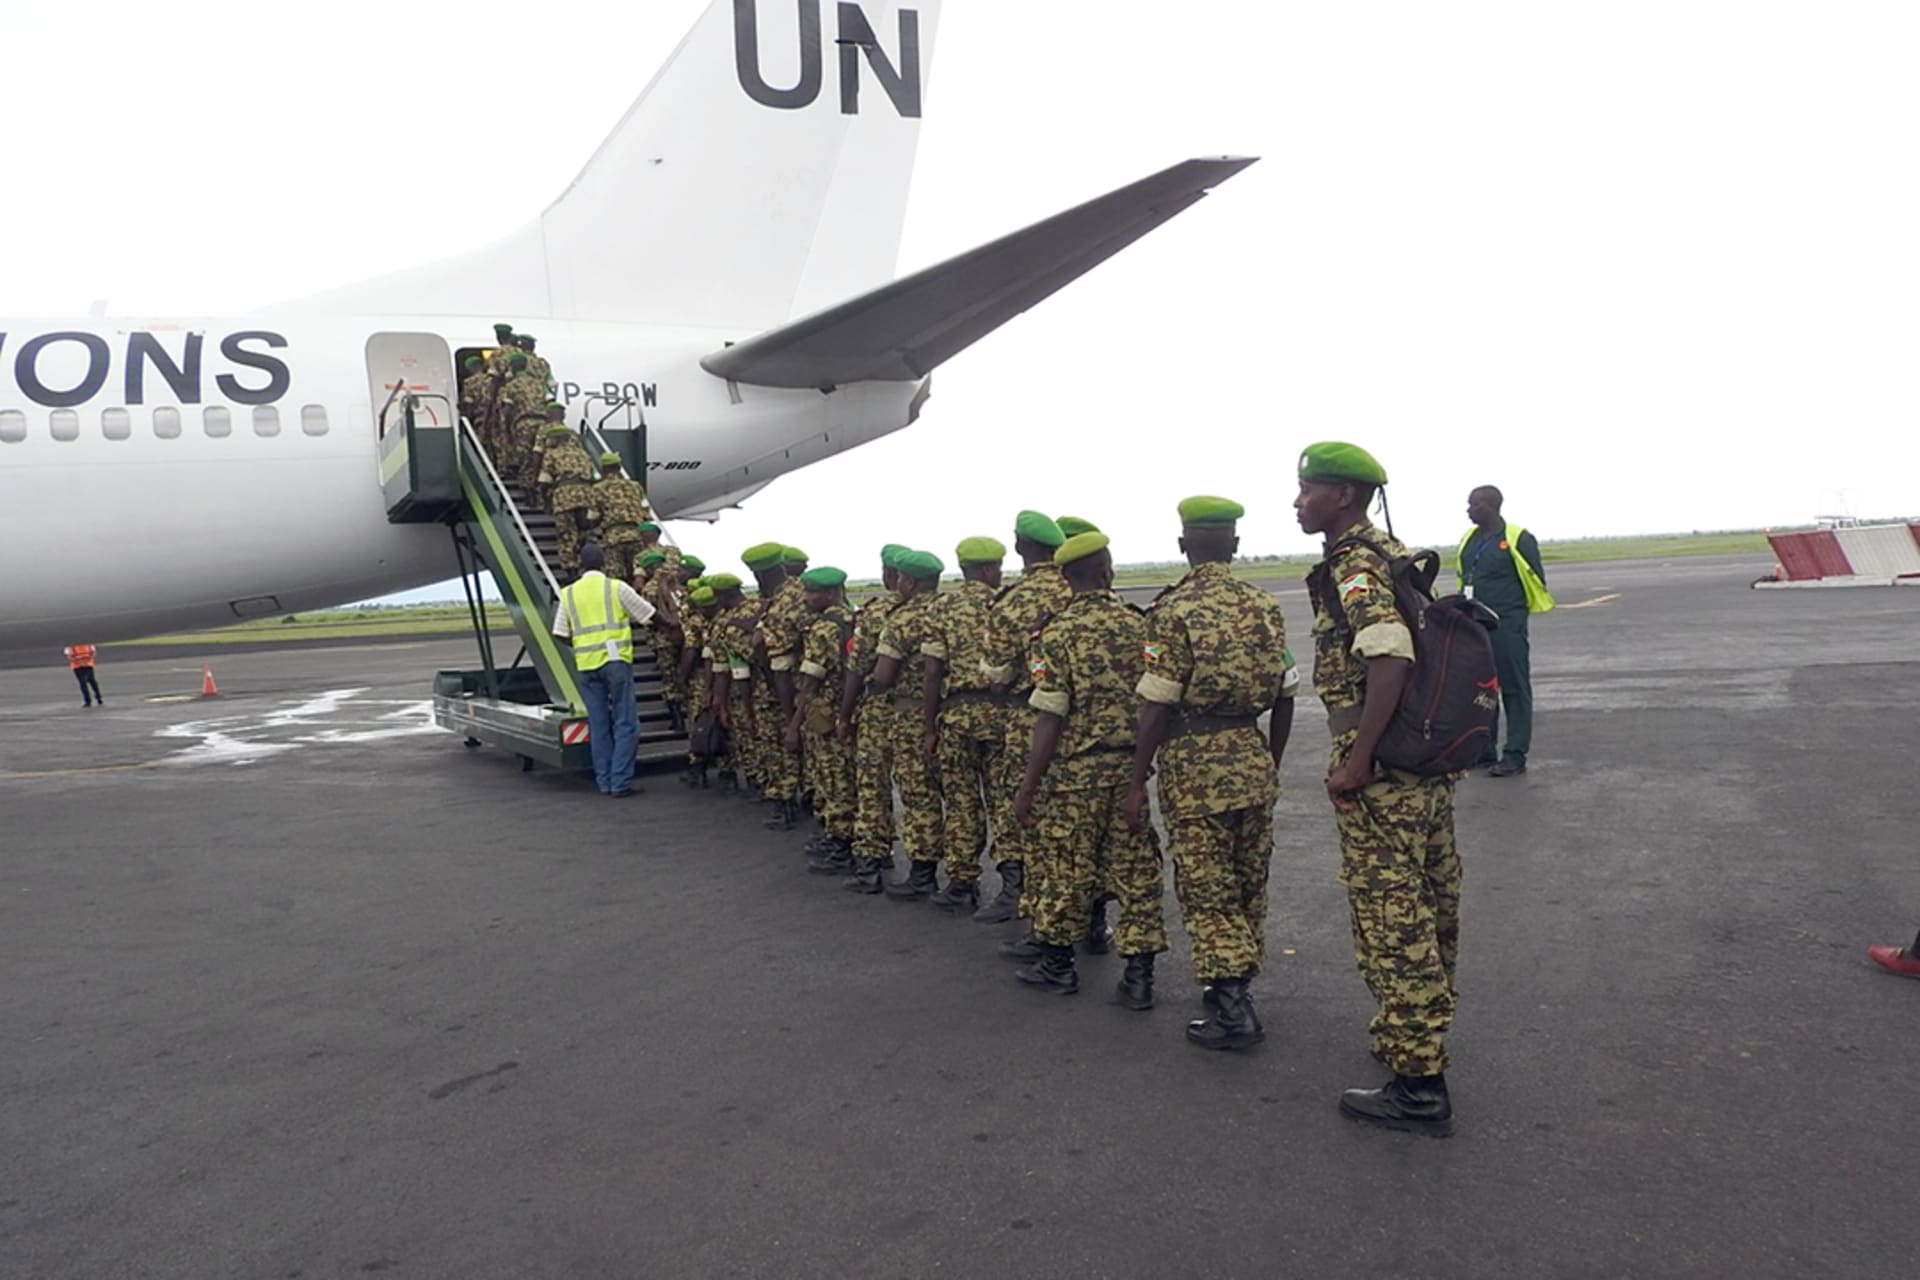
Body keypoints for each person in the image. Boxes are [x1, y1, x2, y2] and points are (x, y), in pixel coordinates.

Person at [1296, 441, 1461, 1137]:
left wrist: (1357, 761)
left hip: (1384, 762)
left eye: (1307, 490)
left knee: (1393, 920)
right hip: (1418, 760)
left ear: (1342, 496)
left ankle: (1419, 1087)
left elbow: (1388, 657)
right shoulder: (1394, 552)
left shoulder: (1355, 563)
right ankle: (1416, 1035)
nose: (1297, 501)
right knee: (1429, 904)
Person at [1127, 496, 1297, 1044]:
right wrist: (1269, 760)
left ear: (1183, 545)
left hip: (1195, 766)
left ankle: (1232, 1008)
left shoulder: (1171, 611)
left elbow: (1156, 703)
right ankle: (1234, 981)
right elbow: (1287, 693)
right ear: (1236, 545)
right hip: (1250, 754)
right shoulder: (1264, 606)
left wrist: (1136, 778)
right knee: (1248, 881)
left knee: (1207, 888)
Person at [1011, 532, 1167, 1000]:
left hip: (1074, 776)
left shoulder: (1054, 634)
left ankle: (1059, 965)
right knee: (1137, 870)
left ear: (1065, 579)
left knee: (1067, 866)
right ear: (1106, 570)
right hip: (1129, 770)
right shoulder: (1140, 626)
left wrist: (1027, 787)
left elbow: (1049, 717)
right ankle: (1139, 977)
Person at [981, 512, 1075, 943]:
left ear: (1020, 547)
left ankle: (1036, 916)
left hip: (1027, 721)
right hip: (1081, 727)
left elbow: (996, 674)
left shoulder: (1012, 602)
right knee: (1078, 821)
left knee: (1025, 812)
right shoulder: (1077, 588)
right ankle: (1088, 920)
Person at [918, 536, 1007, 913]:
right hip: (1001, 716)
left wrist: (929, 726)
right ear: (988, 570)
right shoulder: (1004, 605)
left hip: (956, 716)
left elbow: (932, 671)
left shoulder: (942, 608)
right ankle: (1014, 885)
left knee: (961, 802)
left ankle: (962, 882)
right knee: (1004, 799)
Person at [1458, 486, 1554, 776]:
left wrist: (1514, 616)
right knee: (1482, 689)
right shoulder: (1470, 540)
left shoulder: (1517, 538)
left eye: (1472, 505)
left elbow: (1535, 579)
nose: (1468, 510)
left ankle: (1514, 754)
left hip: (1506, 625)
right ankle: (1485, 750)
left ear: (1488, 506)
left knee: (1514, 688)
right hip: (1475, 625)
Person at [869, 550, 947, 898]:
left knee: (918, 793)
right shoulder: (950, 610)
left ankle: (923, 872)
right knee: (960, 796)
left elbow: (884, 676)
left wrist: (869, 686)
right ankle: (964, 876)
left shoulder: (901, 620)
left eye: (899, 577)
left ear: (910, 582)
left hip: (912, 714)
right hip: (952, 713)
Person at [551, 542, 656, 798]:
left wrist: (581, 644)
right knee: (625, 723)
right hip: (615, 661)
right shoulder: (615, 587)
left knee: (598, 726)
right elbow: (648, 614)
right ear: (604, 563)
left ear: (580, 564)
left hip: (586, 665)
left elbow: (560, 632)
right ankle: (620, 782)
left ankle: (605, 782)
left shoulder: (569, 593)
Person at [839, 546, 909, 894]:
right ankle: (930, 868)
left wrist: (846, 713)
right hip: (919, 711)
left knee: (873, 784)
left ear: (890, 575)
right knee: (920, 789)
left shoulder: (876, 614)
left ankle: (871, 861)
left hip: (880, 709)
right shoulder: (932, 609)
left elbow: (858, 667)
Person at [788, 567, 858, 872]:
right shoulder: (853, 619)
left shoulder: (823, 629)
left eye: (812, 592)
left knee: (834, 777)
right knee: (846, 774)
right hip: (850, 707)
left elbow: (810, 681)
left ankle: (840, 842)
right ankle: (843, 836)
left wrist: (794, 725)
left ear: (831, 593)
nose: (806, 598)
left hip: (825, 711)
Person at [742, 542, 808, 830]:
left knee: (786, 744)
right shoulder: (802, 589)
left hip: (792, 688)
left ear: (761, 576)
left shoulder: (780, 606)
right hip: (813, 684)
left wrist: (789, 714)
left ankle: (786, 804)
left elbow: (778, 663)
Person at [535, 415, 599, 580]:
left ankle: (571, 570)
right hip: (586, 495)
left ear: (556, 439)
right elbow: (593, 476)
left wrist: (545, 500)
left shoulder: (553, 454)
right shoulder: (583, 454)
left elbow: (544, 480)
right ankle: (587, 563)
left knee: (567, 533)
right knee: (584, 531)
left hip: (565, 496)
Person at [594, 456, 651, 581]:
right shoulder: (636, 486)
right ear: (619, 468)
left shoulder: (598, 489)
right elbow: (646, 511)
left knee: (615, 579)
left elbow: (593, 516)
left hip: (613, 538)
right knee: (639, 575)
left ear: (603, 469)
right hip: (637, 535)